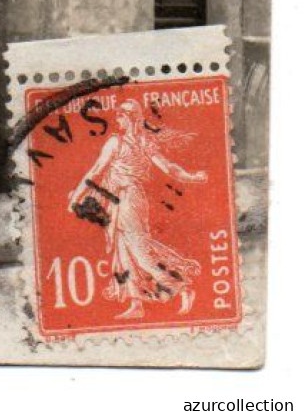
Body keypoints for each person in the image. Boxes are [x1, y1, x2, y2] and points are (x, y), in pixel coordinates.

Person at [68, 99, 206, 320]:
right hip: (118, 199)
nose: (118, 120)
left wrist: (191, 177)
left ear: (131, 118)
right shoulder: (125, 142)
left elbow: (167, 167)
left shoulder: (136, 143)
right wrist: (77, 195)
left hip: (130, 198)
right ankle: (136, 304)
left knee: (140, 251)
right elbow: (96, 171)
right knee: (124, 252)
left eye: (121, 116)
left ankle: (180, 285)